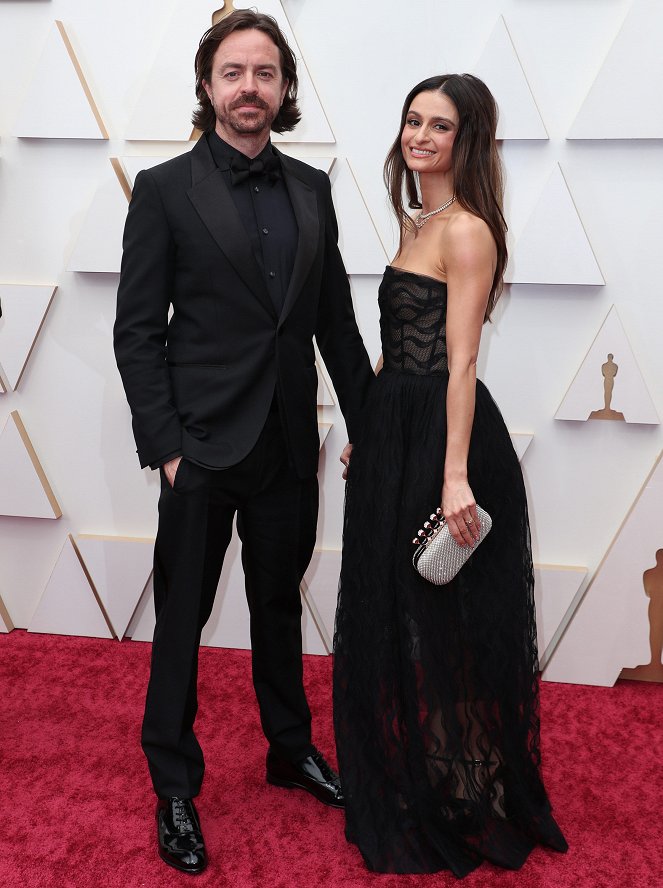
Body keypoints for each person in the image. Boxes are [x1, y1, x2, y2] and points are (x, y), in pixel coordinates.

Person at [114, 10, 373, 876]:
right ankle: (174, 785)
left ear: (285, 88)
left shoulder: (311, 188)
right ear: (206, 85)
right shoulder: (160, 189)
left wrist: (367, 425)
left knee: (275, 605)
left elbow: (332, 318)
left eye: (265, 73)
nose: (249, 87)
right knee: (182, 621)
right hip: (200, 445)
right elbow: (137, 332)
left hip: (286, 446)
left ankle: (287, 748)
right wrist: (168, 448)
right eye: (234, 72)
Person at [333, 74, 568, 877]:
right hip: (396, 431)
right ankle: (423, 776)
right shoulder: (415, 221)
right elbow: (402, 341)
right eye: (411, 120)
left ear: (466, 140)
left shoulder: (465, 231)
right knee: (400, 607)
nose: (420, 136)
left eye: (439, 125)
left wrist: (454, 477)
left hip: (444, 439)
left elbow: (460, 362)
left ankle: (464, 788)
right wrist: (365, 424)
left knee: (447, 617)